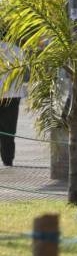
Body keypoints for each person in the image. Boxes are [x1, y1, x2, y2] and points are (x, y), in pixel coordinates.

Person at [0, 39, 26, 167]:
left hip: (9, 94)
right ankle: (8, 160)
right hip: (13, 95)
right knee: (9, 131)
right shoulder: (18, 50)